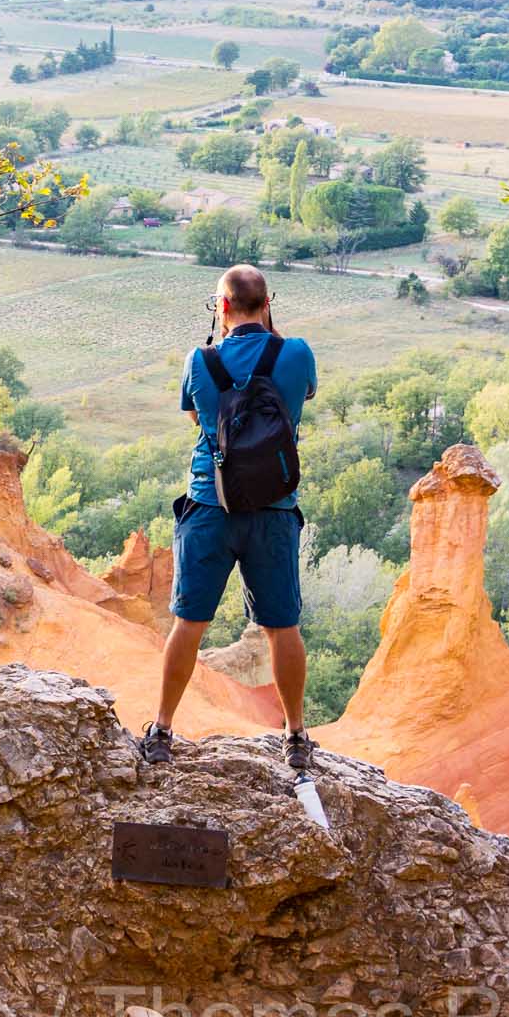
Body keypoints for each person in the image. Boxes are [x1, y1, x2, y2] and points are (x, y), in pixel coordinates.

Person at [140, 264, 318, 772]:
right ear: (267, 304)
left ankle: (161, 731)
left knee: (189, 624)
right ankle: (296, 736)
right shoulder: (296, 353)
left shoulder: (200, 360)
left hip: (208, 508)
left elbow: (199, 418)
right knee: (282, 628)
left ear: (221, 308)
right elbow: (299, 396)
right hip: (274, 512)